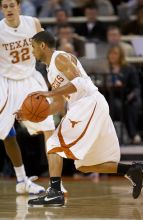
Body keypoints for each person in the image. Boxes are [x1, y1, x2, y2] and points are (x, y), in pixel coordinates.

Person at [19, 31, 143, 207]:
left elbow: (79, 83)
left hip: (88, 103)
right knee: (85, 165)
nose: (32, 52)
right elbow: (58, 104)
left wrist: (48, 92)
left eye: (33, 47)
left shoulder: (60, 57)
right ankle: (133, 170)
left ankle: (55, 192)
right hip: (86, 107)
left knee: (54, 144)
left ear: (42, 45)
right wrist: (30, 115)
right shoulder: (50, 72)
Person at [0, 0, 66, 195]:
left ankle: (56, 183)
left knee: (49, 129)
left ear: (19, 6)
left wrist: (54, 75)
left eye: (12, 5)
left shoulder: (33, 23)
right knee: (5, 132)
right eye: (4, 6)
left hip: (30, 78)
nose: (9, 9)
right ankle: (22, 179)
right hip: (6, 81)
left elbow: (46, 51)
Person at [107, 45, 142, 144]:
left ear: (121, 55)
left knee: (132, 104)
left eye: (115, 53)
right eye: (111, 53)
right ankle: (126, 136)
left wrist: (132, 94)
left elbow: (136, 86)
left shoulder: (128, 68)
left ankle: (134, 135)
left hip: (128, 95)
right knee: (117, 105)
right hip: (112, 96)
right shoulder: (105, 68)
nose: (112, 56)